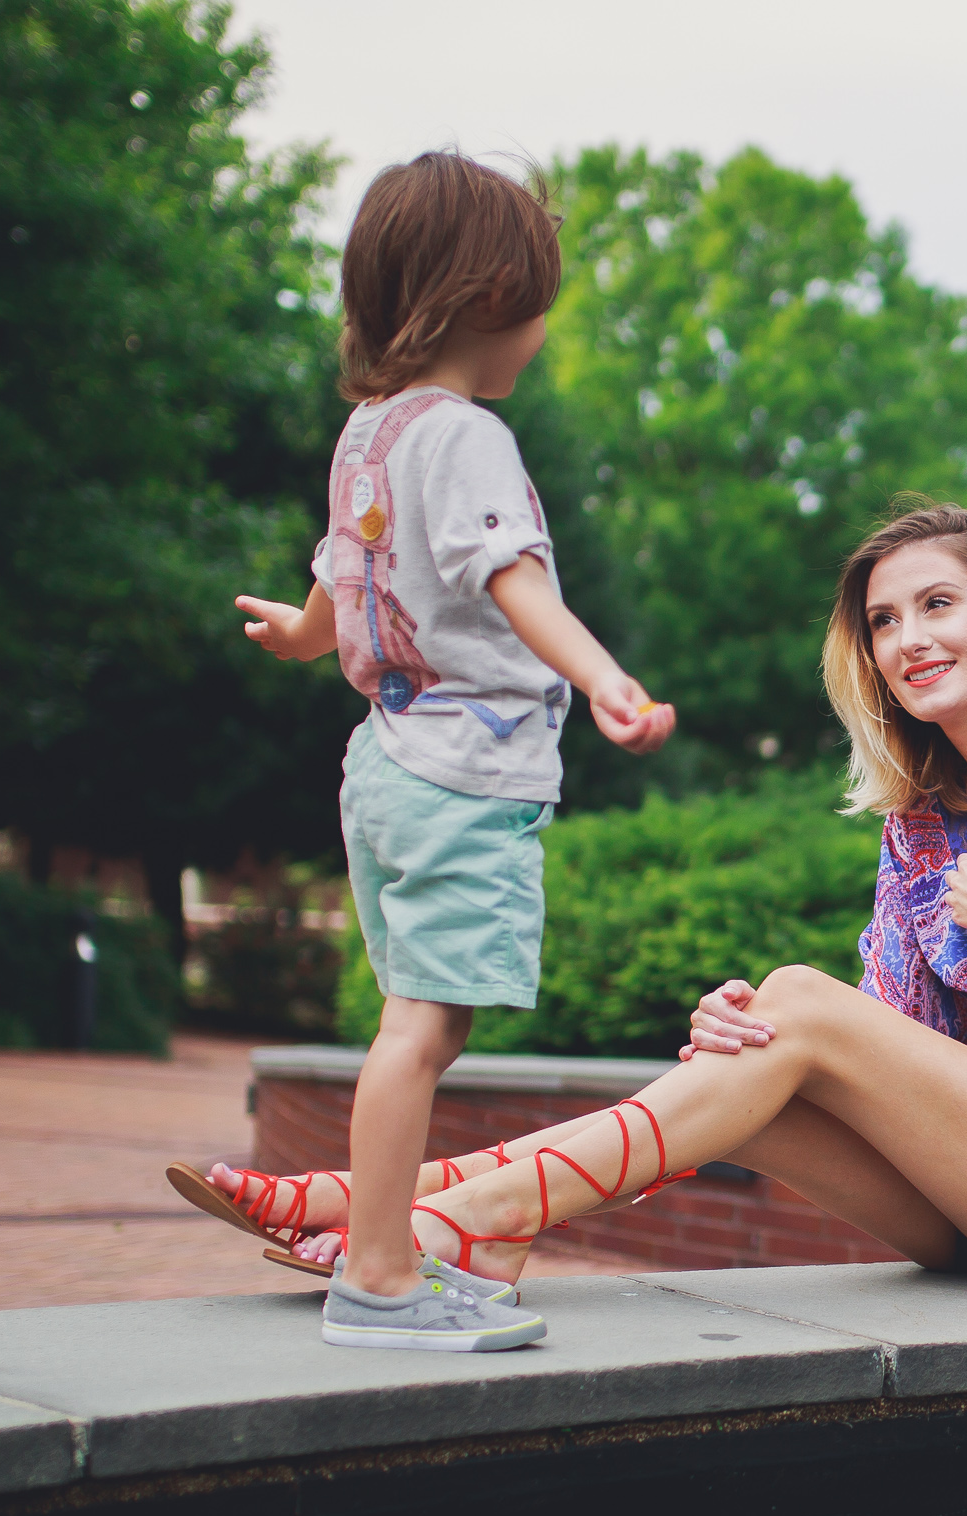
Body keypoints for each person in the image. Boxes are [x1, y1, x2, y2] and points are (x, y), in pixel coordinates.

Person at [209, 503, 967, 1298]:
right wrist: (763, 1033)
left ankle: (457, 1216)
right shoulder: (920, 820)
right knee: (753, 1048)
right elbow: (891, 1037)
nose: (907, 637)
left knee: (792, 994)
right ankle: (400, 1202)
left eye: (936, 604)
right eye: (882, 620)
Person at [169, 152, 674, 1351]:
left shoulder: (369, 433)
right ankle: (381, 1278)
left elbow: (343, 570)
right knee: (423, 1031)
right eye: (538, 300)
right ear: (486, 296)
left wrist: (301, 635)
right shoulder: (466, 438)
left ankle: (384, 1258)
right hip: (462, 770)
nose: (543, 328)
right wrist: (598, 673)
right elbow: (511, 581)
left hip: (384, 764)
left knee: (411, 1019)